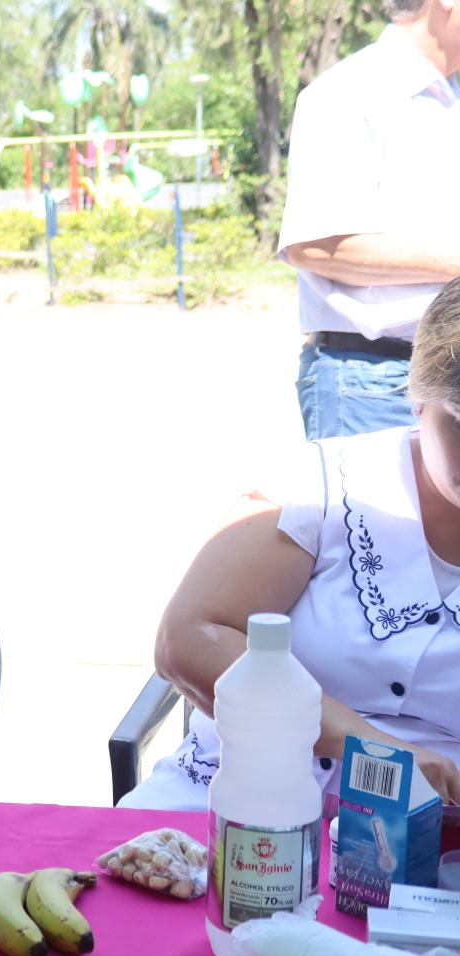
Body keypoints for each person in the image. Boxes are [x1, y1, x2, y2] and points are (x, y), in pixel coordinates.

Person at [120, 275, 460, 811]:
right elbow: (188, 638)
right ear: (417, 397)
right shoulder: (329, 484)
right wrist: (371, 750)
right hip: (231, 801)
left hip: (434, 846)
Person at [280, 0, 460, 441]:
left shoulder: (450, 98)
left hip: (444, 376)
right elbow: (316, 244)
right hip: (376, 383)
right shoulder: (348, 93)